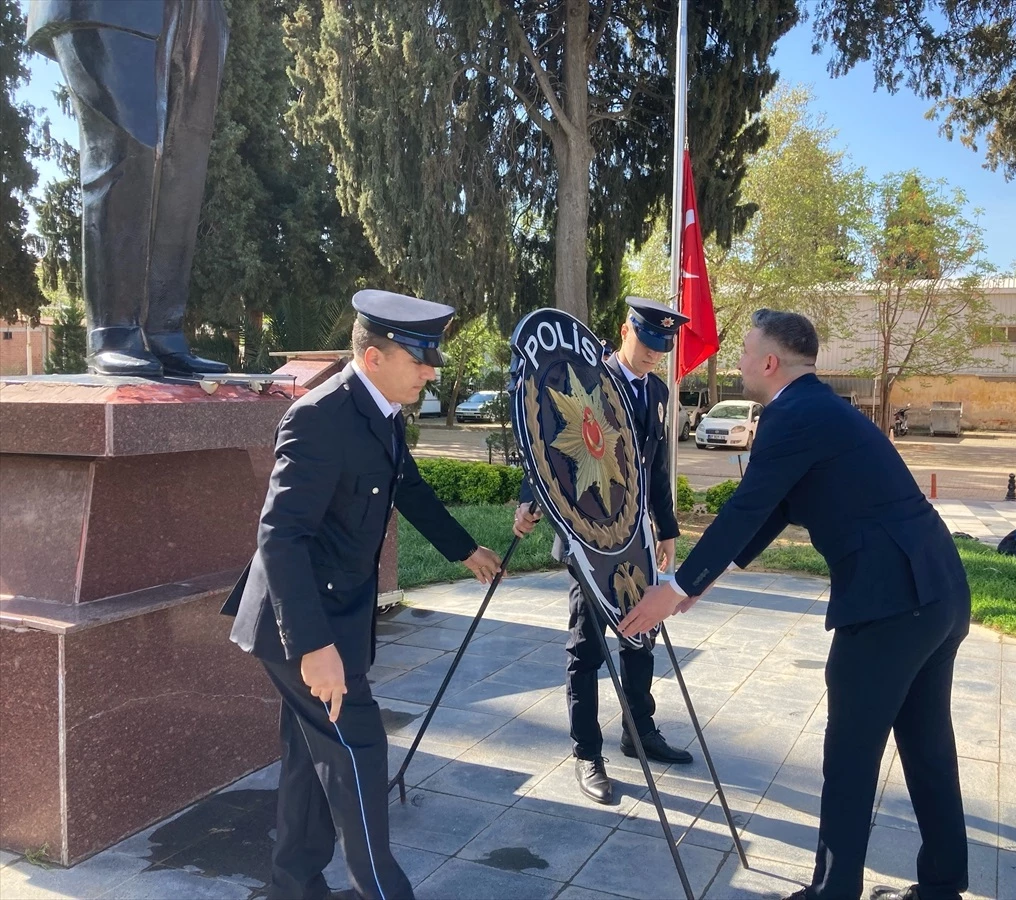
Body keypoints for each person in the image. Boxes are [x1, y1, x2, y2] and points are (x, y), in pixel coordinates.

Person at [619, 309, 972, 900]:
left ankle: (833, 893)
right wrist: (695, 587)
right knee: (928, 746)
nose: (736, 361)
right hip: (938, 591)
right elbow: (775, 511)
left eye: (743, 351)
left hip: (889, 606)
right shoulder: (816, 408)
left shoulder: (792, 416)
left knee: (851, 756)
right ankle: (942, 885)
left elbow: (746, 509)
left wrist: (675, 589)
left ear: (769, 362)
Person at [221, 290, 503, 900]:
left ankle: (291, 885)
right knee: (357, 753)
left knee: (308, 757)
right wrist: (314, 647)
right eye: (420, 359)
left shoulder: (382, 411)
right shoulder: (319, 415)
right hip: (298, 625)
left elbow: (410, 488)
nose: (432, 371)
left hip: (334, 617)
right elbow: (281, 535)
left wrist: (464, 550)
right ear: (374, 357)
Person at [513, 297, 695, 805]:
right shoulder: (588, 378)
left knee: (641, 634)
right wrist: (530, 500)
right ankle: (586, 752)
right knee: (587, 647)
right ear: (624, 331)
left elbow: (655, 466)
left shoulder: (657, 391)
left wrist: (667, 527)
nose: (654, 355)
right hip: (587, 538)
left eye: (663, 348)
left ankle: (639, 732)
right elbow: (545, 443)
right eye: (647, 343)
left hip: (635, 536)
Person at [27, 0, 232, 377]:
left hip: (196, 10)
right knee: (126, 150)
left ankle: (162, 329)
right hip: (108, 8)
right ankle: (114, 330)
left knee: (181, 165)